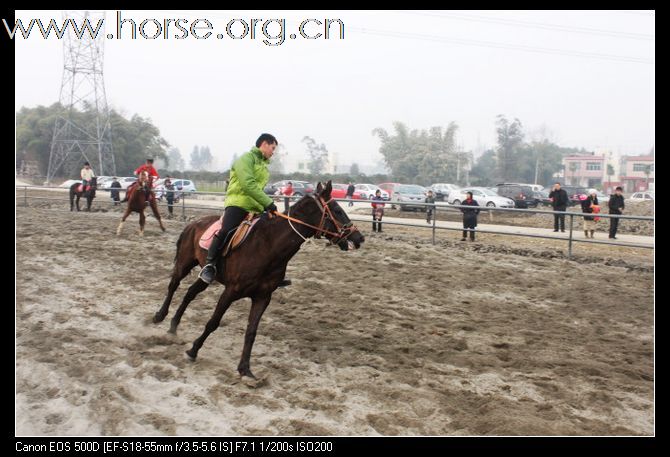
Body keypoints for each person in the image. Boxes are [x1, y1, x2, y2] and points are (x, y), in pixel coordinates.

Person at [199, 133, 290, 287]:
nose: (273, 152)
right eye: (273, 148)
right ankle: (210, 265)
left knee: (271, 235)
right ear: (264, 144)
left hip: (256, 207)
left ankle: (271, 274)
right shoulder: (245, 159)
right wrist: (268, 202)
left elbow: (258, 189)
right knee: (226, 230)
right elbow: (248, 184)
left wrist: (265, 205)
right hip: (238, 203)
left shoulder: (263, 166)